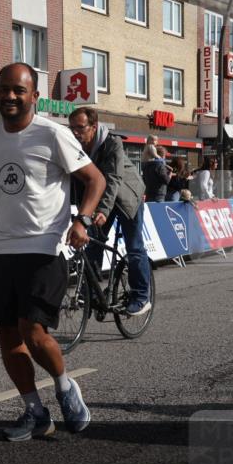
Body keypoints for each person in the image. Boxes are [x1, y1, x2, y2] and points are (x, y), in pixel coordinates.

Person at [0, 63, 106, 442]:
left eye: (19, 90)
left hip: (44, 247)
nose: (10, 96)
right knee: (7, 336)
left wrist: (82, 220)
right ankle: (35, 411)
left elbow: (95, 179)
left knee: (32, 331)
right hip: (1, 250)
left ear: (34, 96)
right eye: (4, 89)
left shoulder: (53, 133)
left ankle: (65, 386)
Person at [68, 107, 151, 316]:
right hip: (102, 199)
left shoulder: (113, 143)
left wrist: (103, 210)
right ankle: (93, 293)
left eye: (80, 127)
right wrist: (80, 214)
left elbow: (113, 179)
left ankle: (141, 296)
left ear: (93, 127)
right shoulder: (76, 148)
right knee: (93, 244)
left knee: (134, 246)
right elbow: (76, 183)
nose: (75, 132)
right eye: (72, 128)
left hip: (126, 196)